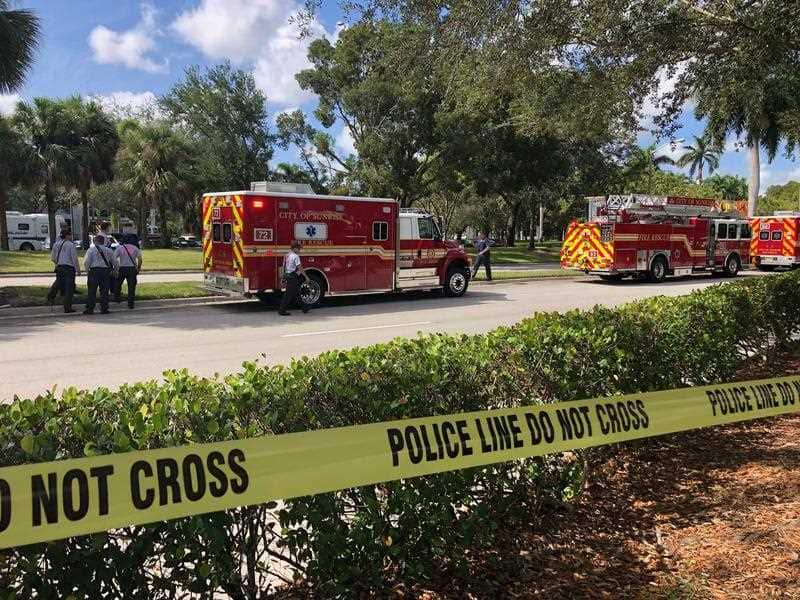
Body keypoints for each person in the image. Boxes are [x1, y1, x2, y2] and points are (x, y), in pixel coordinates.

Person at [46, 228, 80, 313]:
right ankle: (67, 306)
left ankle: (50, 297)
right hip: (69, 268)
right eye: (70, 235)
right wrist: (78, 269)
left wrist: (58, 263)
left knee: (58, 282)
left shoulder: (56, 244)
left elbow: (53, 258)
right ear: (67, 236)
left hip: (59, 267)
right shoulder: (71, 245)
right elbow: (74, 258)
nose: (71, 236)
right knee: (69, 288)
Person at [83, 234, 117, 315]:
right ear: (103, 241)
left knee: (92, 291)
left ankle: (90, 309)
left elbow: (86, 262)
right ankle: (104, 308)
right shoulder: (109, 250)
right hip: (105, 271)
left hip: (94, 271)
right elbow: (115, 262)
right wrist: (115, 271)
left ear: (95, 241)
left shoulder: (91, 250)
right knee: (105, 291)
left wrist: (87, 271)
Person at [278, 241, 310, 316]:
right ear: (295, 248)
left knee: (297, 293)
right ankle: (282, 310)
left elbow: (284, 267)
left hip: (288, 275)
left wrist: (283, 277)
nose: (299, 250)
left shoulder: (287, 255)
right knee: (288, 294)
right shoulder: (295, 256)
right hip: (292, 276)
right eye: (298, 248)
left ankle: (305, 308)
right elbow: (300, 267)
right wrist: (306, 277)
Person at [114, 233, 142, 309]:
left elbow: (114, 258)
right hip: (132, 269)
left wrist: (115, 267)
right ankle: (130, 304)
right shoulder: (135, 248)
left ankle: (117, 298)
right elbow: (140, 259)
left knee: (118, 284)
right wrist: (138, 268)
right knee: (131, 287)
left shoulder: (120, 248)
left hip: (122, 268)